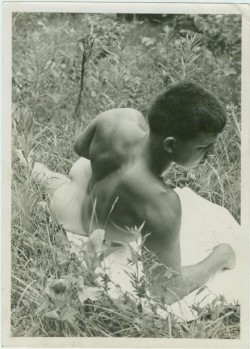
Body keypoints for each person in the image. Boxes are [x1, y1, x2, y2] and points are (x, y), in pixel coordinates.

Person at [32, 81, 236, 305]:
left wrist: (111, 166)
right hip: (85, 226)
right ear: (170, 145)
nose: (213, 153)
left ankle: (30, 166)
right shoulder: (160, 204)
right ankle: (33, 171)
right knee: (76, 190)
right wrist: (221, 256)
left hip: (76, 192)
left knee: (57, 181)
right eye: (203, 147)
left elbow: (80, 149)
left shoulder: (121, 117)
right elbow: (165, 291)